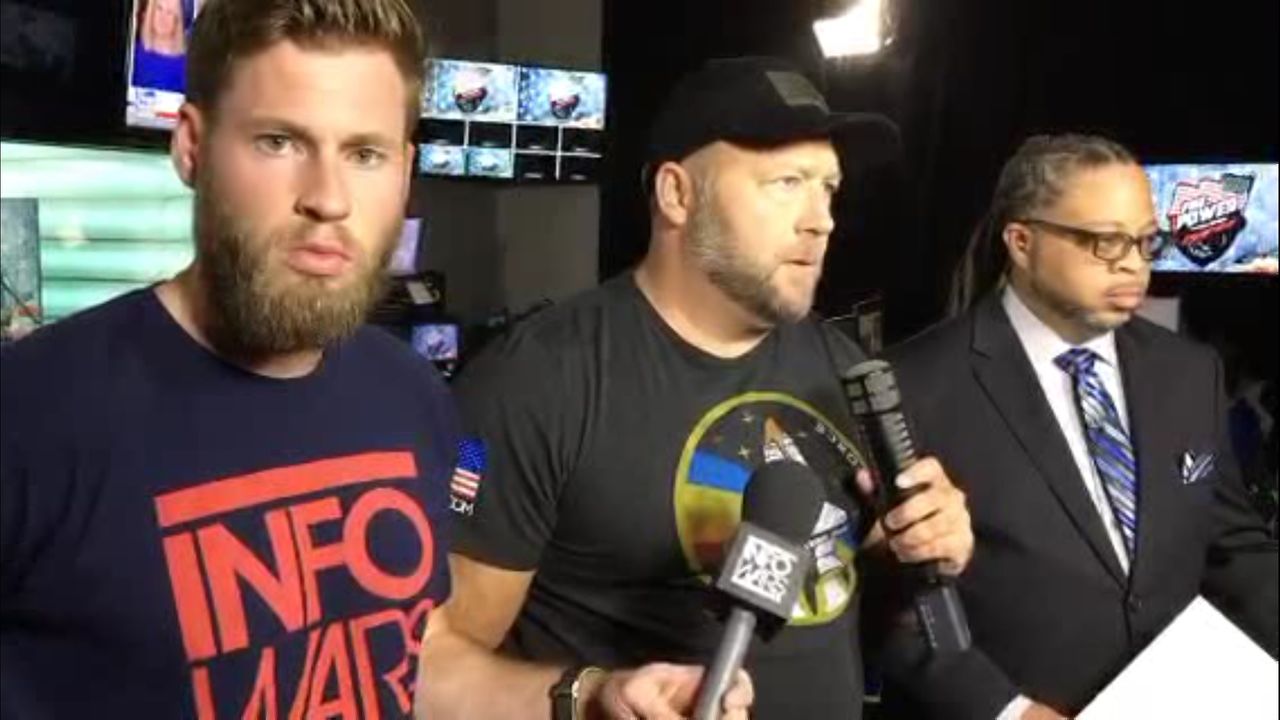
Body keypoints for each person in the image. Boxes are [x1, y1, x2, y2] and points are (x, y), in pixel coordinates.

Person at [415, 56, 976, 719]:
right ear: (677, 195)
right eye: (786, 183)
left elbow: (862, 563)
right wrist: (589, 698)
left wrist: (925, 532)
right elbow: (432, 667)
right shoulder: (536, 379)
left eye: (828, 187)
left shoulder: (839, 361)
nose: (820, 219)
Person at [0, 1, 456, 717]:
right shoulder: (31, 412)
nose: (328, 199)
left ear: (405, 171)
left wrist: (585, 696)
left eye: (364, 154)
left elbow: (416, 655)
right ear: (192, 147)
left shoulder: (411, 392)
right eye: (279, 142)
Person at [881, 133, 1280, 719]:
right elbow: (889, 602)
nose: (1134, 263)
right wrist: (1010, 711)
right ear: (1022, 242)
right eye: (1105, 242)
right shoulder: (912, 385)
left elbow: (1232, 548)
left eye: (1146, 241)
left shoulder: (1190, 371)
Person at [132, 0, 190, 93]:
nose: (163, 18)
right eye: (159, 9)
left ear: (177, 19)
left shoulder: (186, 65)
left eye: (170, 12)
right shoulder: (132, 54)